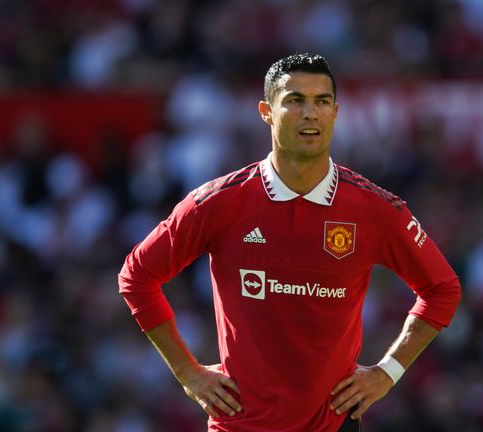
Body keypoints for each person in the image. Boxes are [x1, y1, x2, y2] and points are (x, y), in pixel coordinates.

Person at [118, 53, 461, 432]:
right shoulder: (219, 203)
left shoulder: (375, 209)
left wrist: (387, 372)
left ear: (335, 112)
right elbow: (137, 276)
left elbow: (442, 288)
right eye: (295, 101)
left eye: (322, 101)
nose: (310, 113)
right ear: (266, 111)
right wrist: (188, 372)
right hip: (239, 426)